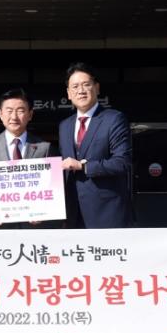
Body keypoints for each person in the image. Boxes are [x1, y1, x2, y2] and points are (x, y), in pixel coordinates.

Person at [59, 62, 133, 228]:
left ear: (97, 88)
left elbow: (122, 162)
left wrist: (84, 166)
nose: (81, 90)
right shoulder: (65, 126)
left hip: (107, 213)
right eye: (75, 86)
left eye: (86, 84)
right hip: (73, 213)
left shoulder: (114, 119)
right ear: (68, 93)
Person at [0, 88, 56, 228]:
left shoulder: (44, 148)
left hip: (33, 229)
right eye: (9, 111)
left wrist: (44, 213)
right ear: (0, 114)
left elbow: (54, 189)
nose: (14, 117)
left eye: (20, 111)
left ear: (30, 114)